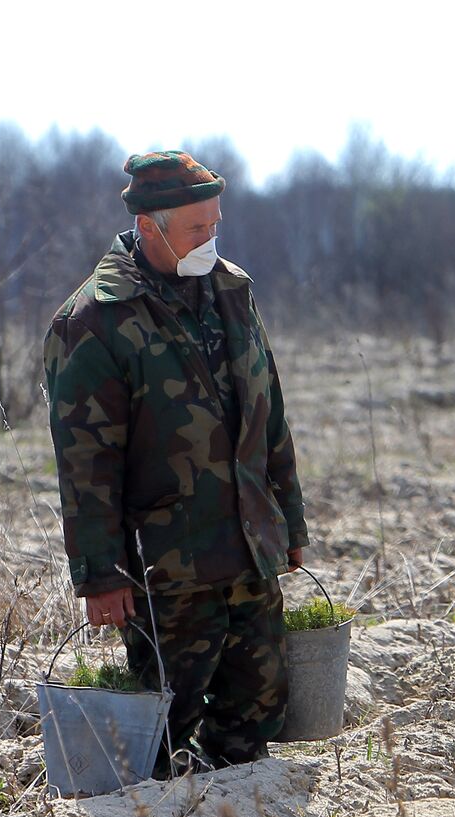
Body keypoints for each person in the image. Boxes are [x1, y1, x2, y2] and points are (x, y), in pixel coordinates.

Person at [44, 150, 308, 775]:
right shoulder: (95, 321)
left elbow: (270, 414)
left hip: (247, 542)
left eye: (215, 224)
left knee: (258, 704)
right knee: (163, 721)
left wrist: (289, 523)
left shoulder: (232, 291)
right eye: (195, 229)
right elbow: (86, 465)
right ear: (148, 228)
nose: (209, 239)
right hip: (166, 563)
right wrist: (101, 574)